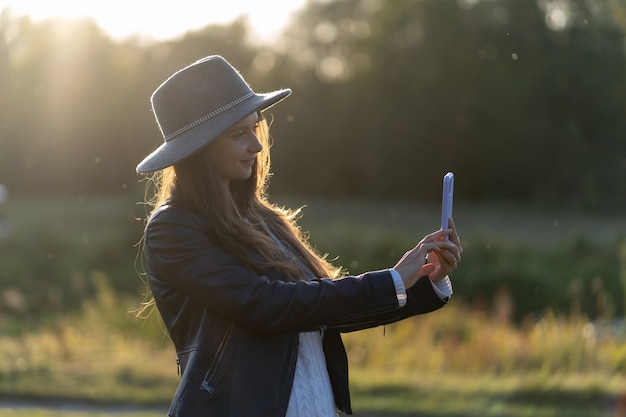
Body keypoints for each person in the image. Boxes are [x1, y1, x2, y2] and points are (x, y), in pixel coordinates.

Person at [136, 55, 463, 417]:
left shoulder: (263, 219)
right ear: (201, 148)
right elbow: (265, 305)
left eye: (254, 128)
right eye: (238, 134)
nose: (256, 146)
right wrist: (391, 280)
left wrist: (422, 280)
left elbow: (323, 309)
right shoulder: (173, 228)